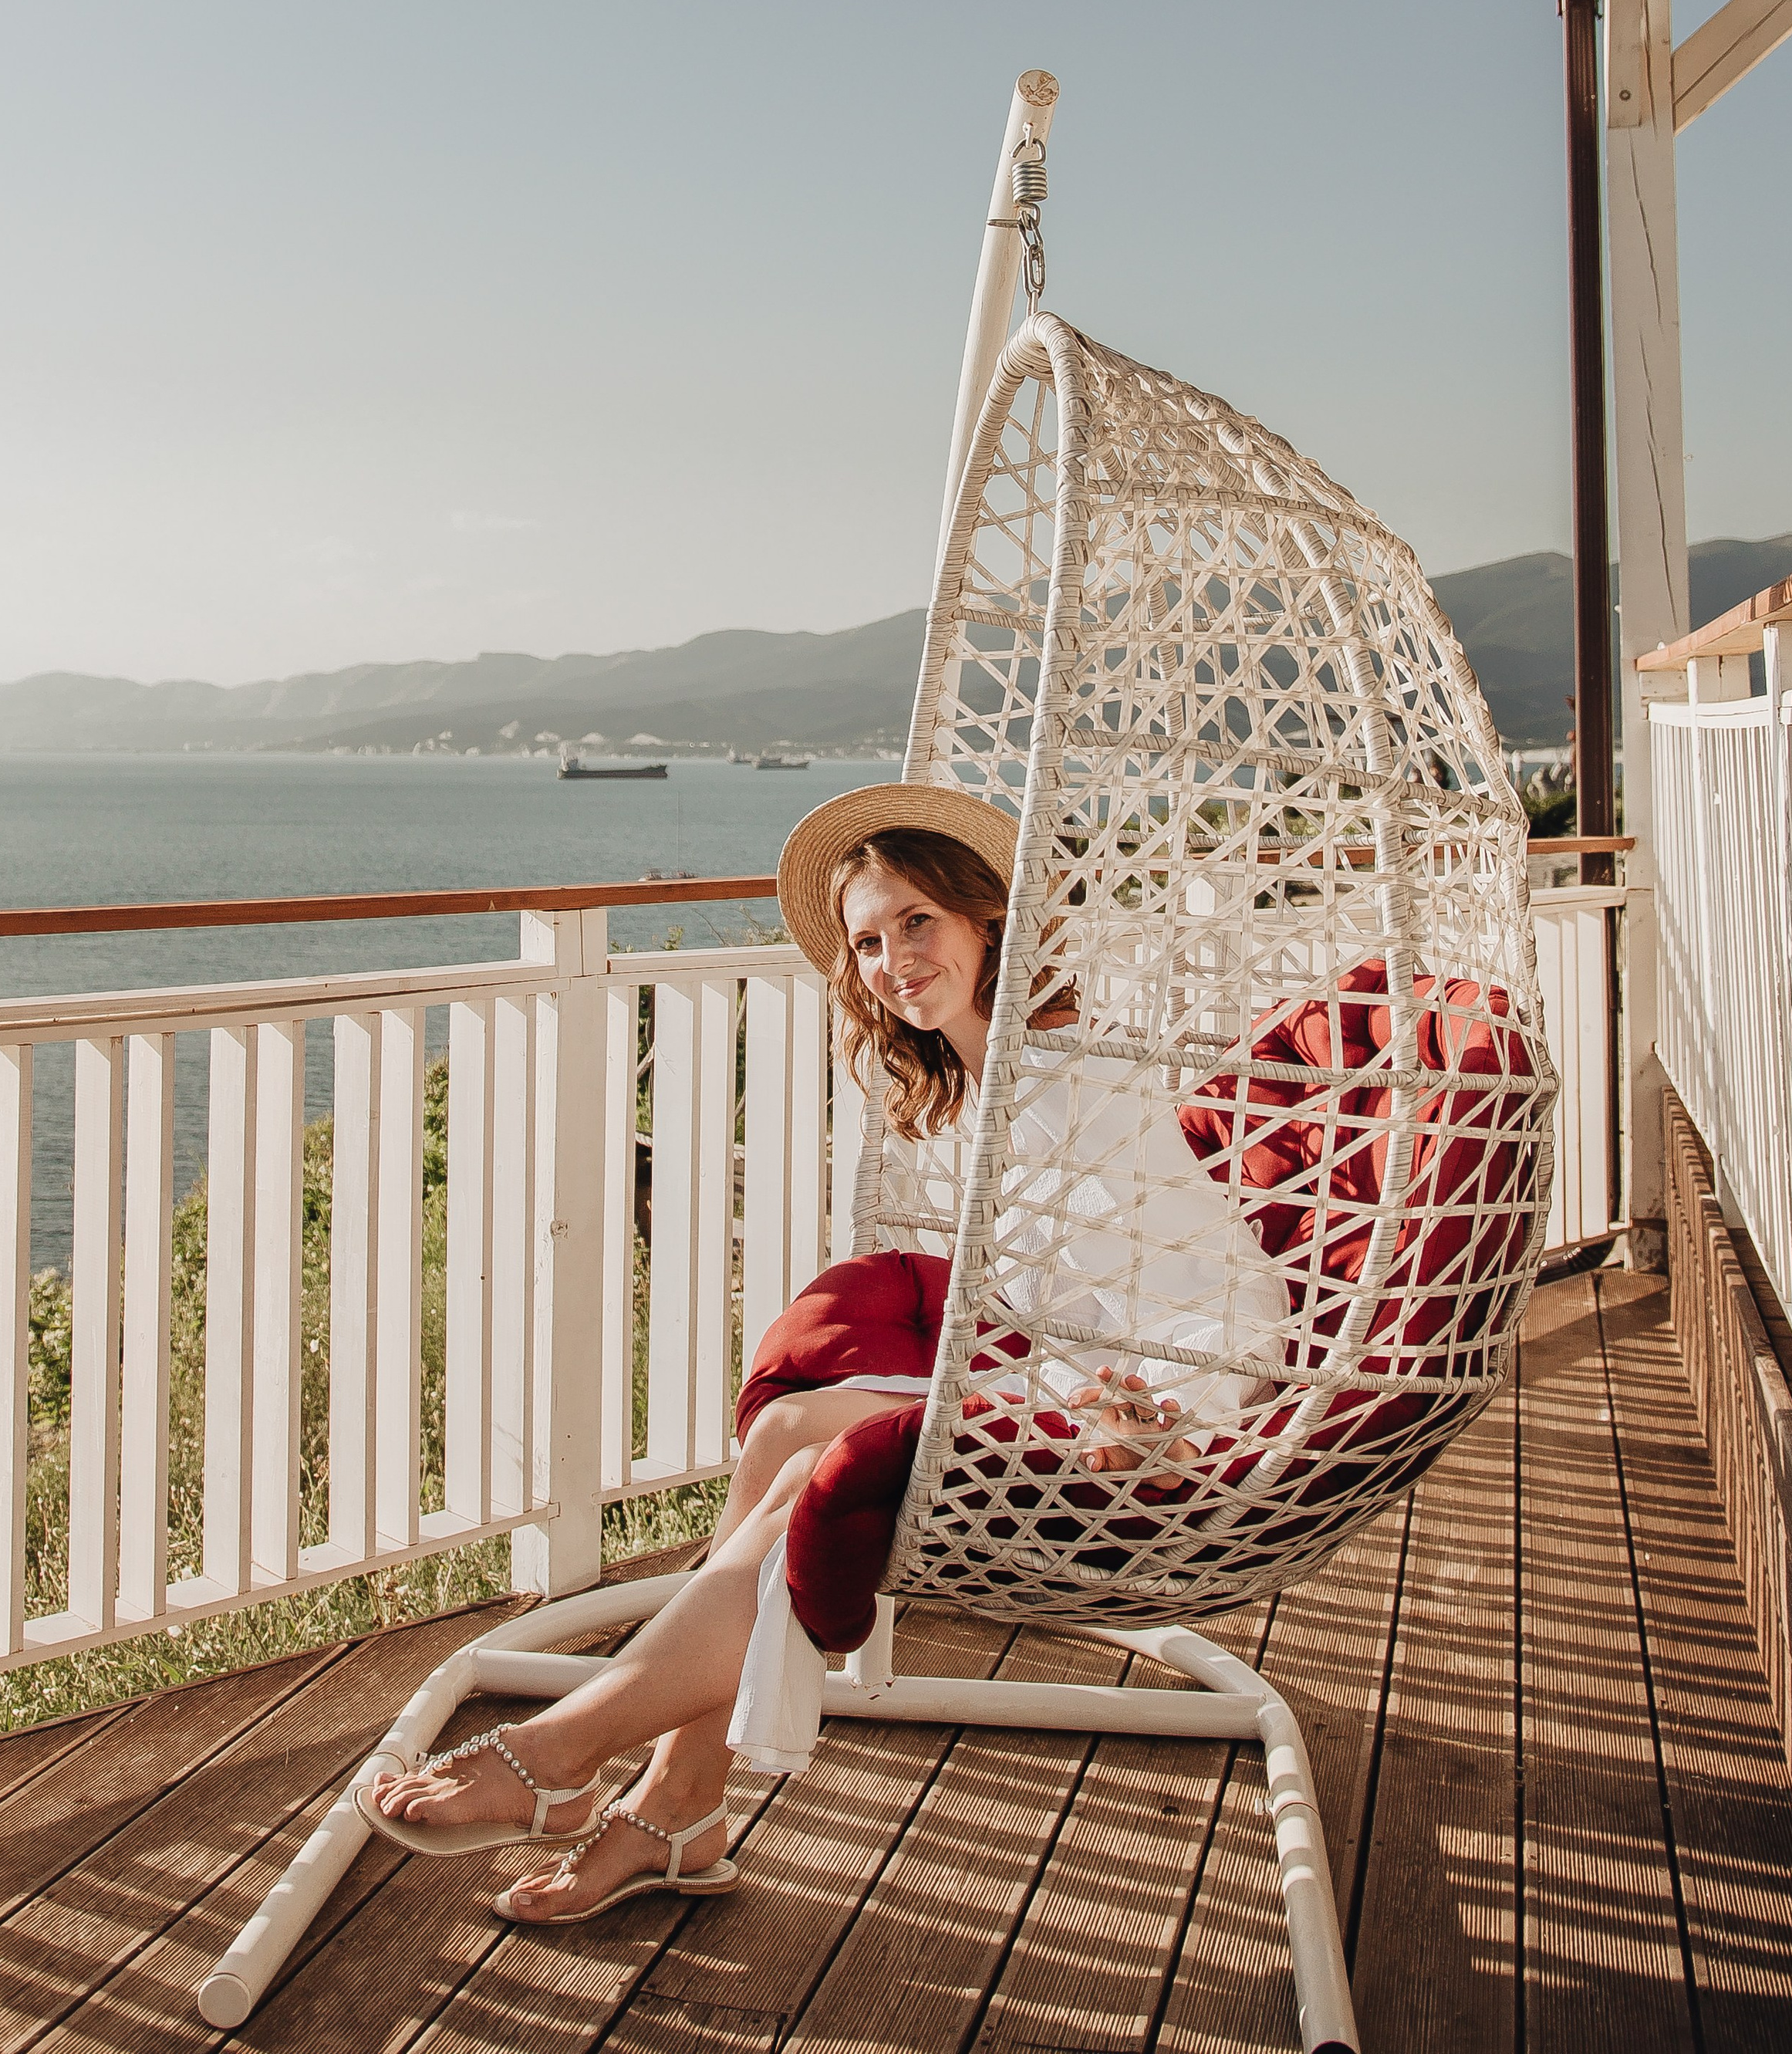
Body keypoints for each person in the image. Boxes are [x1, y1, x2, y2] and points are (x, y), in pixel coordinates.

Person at [359, 782, 1284, 1927]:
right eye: (870, 939)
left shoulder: (1064, 1075)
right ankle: (675, 1806)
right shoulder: (990, 1074)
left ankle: (571, 1759)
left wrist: (1160, 1408)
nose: (894, 959)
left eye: (917, 922)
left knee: (802, 1471)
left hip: (1164, 1394)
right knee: (793, 1432)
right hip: (1072, 1369)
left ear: (985, 918)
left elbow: (1202, 1291)